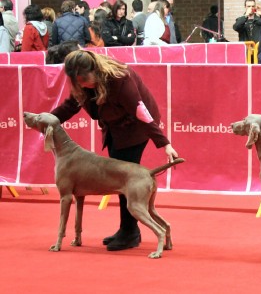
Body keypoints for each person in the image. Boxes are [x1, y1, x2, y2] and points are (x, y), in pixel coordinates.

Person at [51, 49, 179, 251]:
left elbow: (141, 113)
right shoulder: (81, 80)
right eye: (79, 83)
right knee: (118, 179)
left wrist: (165, 143)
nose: (83, 86)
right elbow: (69, 106)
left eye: (86, 82)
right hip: (114, 128)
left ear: (95, 72)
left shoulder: (120, 79)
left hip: (135, 128)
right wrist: (47, 120)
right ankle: (127, 229)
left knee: (126, 180)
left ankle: (130, 233)